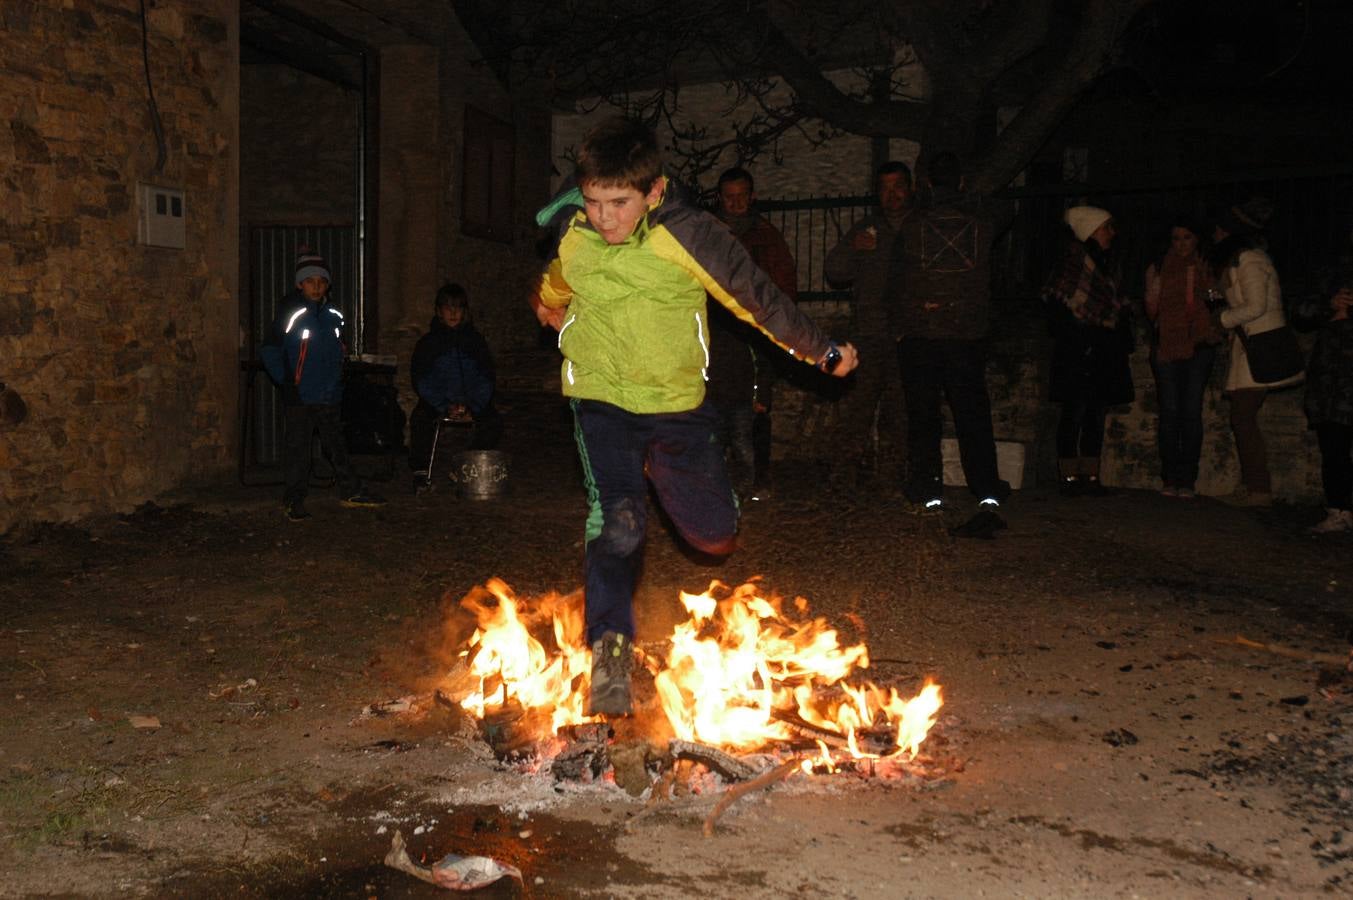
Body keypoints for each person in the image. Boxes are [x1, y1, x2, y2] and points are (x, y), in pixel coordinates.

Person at [530, 117, 858, 717]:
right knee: (619, 520)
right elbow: (554, 284)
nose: (604, 218)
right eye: (595, 202)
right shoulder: (576, 234)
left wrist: (819, 349)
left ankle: (670, 475)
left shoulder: (686, 234)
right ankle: (609, 650)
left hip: (675, 408)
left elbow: (755, 297)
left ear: (653, 192)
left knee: (716, 538)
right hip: (599, 400)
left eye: (619, 204)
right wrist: (548, 307)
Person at [892, 152, 1013, 538]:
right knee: (972, 417)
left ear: (925, 184)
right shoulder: (982, 224)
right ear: (961, 183)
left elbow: (898, 283)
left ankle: (928, 492)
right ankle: (987, 491)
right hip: (965, 336)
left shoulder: (911, 228)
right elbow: (1008, 210)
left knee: (924, 418)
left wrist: (905, 323)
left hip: (922, 337)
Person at [260, 249, 386, 520]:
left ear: (328, 284)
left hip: (328, 393)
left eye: (321, 281)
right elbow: (270, 349)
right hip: (300, 395)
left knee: (336, 445)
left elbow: (338, 349)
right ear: (299, 284)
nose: (316, 286)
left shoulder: (334, 315)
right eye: (310, 281)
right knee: (298, 448)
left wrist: (340, 376)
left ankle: (351, 490)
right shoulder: (289, 314)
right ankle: (294, 498)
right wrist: (285, 381)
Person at [705, 166, 798, 500]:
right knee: (710, 409)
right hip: (712, 333)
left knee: (756, 408)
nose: (735, 203)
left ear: (752, 197)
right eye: (729, 197)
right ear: (720, 198)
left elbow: (784, 282)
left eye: (742, 196)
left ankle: (758, 478)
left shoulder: (765, 236)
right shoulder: (706, 234)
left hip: (756, 333)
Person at [1208, 197, 1302, 508]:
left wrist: (1220, 319)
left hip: (1259, 345)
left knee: (1243, 417)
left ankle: (1259, 489)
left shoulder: (1250, 259)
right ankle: (1252, 485)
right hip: (1247, 345)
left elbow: (1256, 306)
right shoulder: (1240, 260)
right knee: (1242, 418)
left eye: (1221, 229)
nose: (1216, 234)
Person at [825, 161, 915, 481]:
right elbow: (834, 271)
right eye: (885, 188)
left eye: (898, 186)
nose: (892, 194)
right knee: (858, 406)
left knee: (900, 408)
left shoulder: (921, 228)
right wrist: (853, 247)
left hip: (910, 334)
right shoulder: (867, 229)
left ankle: (893, 472)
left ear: (910, 187)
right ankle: (846, 471)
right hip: (869, 332)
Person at [1043, 206, 1134, 496]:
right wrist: (1081, 336)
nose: (1111, 233)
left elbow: (1118, 305)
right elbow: (1057, 308)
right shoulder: (1071, 264)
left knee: (1096, 411)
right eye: (1106, 227)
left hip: (1104, 348)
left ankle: (1091, 475)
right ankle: (1069, 476)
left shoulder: (1110, 264)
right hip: (1077, 348)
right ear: (1092, 230)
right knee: (1074, 410)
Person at [1143, 217, 1221, 499]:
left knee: (1190, 413)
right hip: (1166, 344)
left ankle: (1187, 479)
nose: (1181, 244)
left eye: (1186, 237)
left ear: (1196, 239)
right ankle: (1170, 477)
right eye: (1176, 238)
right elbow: (1151, 310)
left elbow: (1219, 301)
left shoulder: (1207, 265)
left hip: (1199, 344)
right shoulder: (1160, 266)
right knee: (1169, 413)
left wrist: (1205, 291)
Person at [408, 283, 502, 490]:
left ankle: (469, 464)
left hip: (469, 401)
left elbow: (486, 377)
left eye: (457, 308)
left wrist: (473, 406)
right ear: (439, 311)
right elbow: (422, 380)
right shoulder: (428, 344)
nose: (453, 313)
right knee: (421, 419)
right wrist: (443, 405)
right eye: (448, 307)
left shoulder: (475, 342)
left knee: (493, 421)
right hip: (440, 402)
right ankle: (421, 471)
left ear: (464, 311)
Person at [1295, 268, 1353, 532]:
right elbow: (1301, 314)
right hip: (1330, 383)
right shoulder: (1333, 276)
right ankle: (1338, 509)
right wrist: (1329, 305)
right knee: (1333, 446)